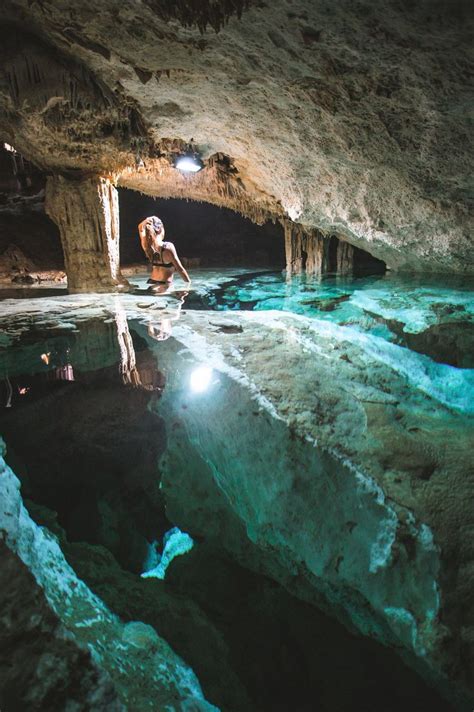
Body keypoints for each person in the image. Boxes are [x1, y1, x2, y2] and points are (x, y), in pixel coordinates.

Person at [138, 216, 191, 291]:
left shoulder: (147, 246)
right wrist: (189, 284)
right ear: (160, 229)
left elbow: (140, 229)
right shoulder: (168, 247)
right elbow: (180, 269)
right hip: (164, 286)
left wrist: (145, 221)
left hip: (151, 283)